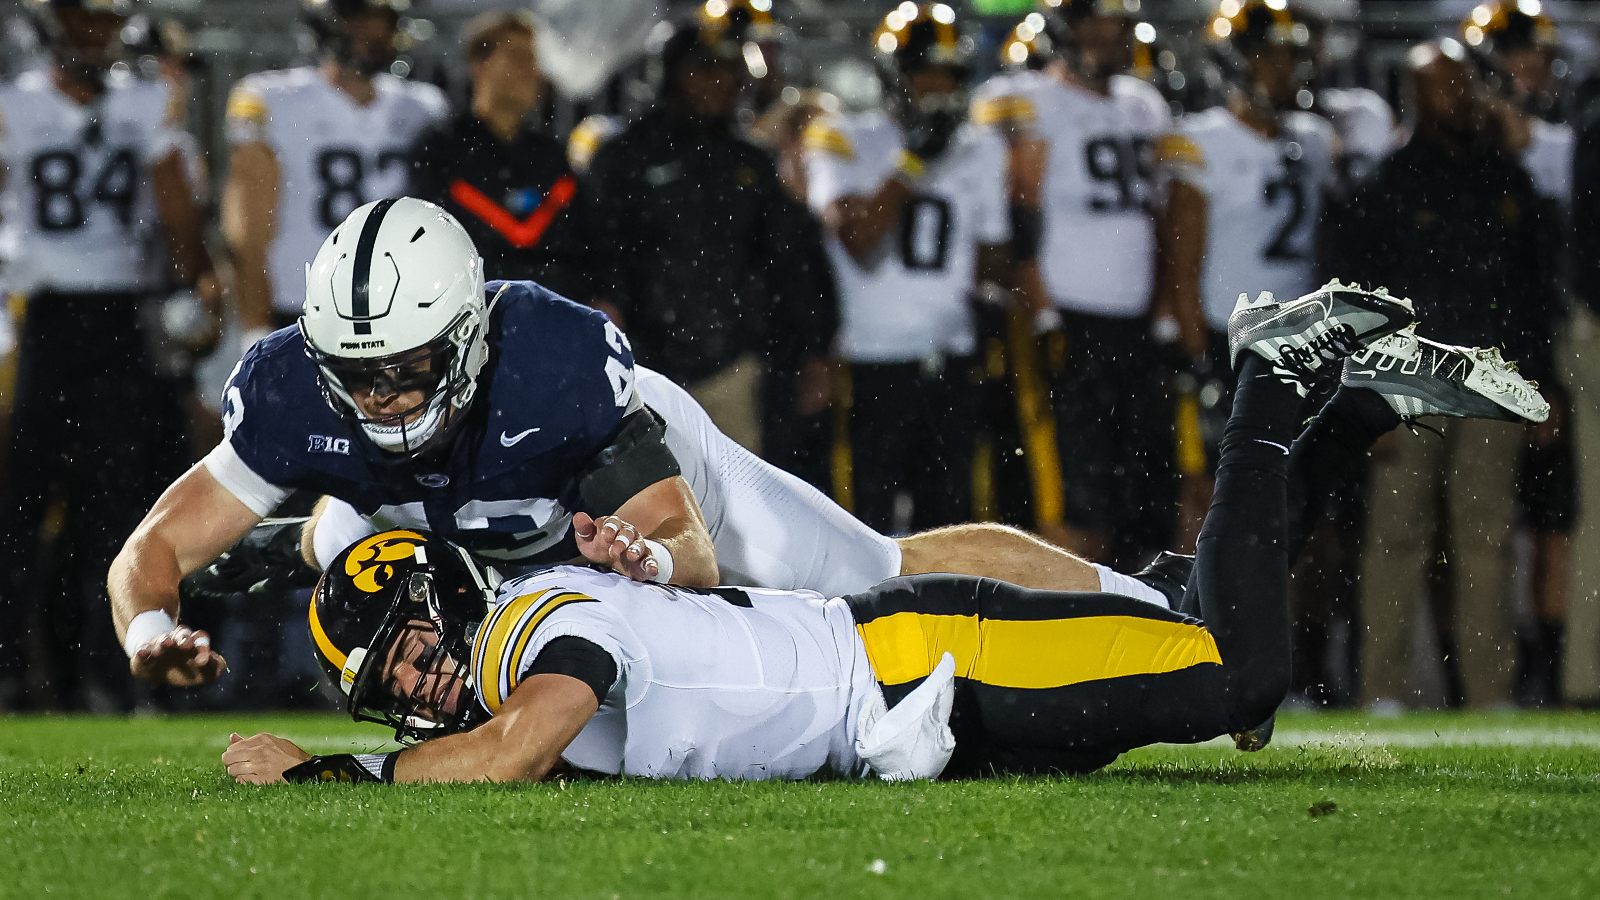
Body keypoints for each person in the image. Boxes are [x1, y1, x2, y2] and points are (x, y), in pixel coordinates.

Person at [220, 285, 1549, 785]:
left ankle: (1273, 389)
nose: (418, 682)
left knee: (1229, 674)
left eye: (409, 650)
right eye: (391, 683)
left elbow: (526, 734)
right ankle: (1342, 412)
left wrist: (321, 774)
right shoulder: (492, 602)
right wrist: (285, 556)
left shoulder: (533, 611)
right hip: (903, 712)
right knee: (1191, 651)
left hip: (904, 659)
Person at [110, 198, 1144, 690]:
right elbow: (146, 555)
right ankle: (287, 545)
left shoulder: (556, 370)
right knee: (352, 543)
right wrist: (149, 630)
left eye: (408, 368)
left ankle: (1151, 607)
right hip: (442, 503)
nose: (380, 397)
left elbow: (682, 550)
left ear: (467, 339)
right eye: (358, 374)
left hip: (601, 491)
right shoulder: (295, 393)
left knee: (871, 575)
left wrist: (643, 558)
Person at [0, 0, 216, 708]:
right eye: (80, 20)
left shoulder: (145, 101)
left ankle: (109, 672)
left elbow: (178, 212)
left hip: (122, 314)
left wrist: (186, 285)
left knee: (116, 505)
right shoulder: (15, 105)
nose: (94, 35)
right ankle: (18, 669)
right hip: (44, 314)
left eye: (102, 20)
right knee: (23, 504)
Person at [1332, 41, 1557, 710]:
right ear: (1415, 97)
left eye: (1462, 84)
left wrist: (1539, 381)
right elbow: (1357, 301)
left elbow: (1530, 291)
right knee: (1395, 536)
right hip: (1408, 380)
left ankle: (1491, 690)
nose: (1457, 97)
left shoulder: (1504, 178)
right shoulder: (1388, 185)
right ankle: (1382, 689)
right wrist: (1365, 395)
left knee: (1484, 536)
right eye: (1442, 86)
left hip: (1493, 376)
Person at [970, 0, 1174, 566]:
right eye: (1095, 24)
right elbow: (1018, 218)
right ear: (1065, 28)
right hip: (1063, 318)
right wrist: (1043, 316)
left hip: (1133, 323)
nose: (1109, 37)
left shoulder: (1144, 105)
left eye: (1118, 24)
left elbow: (1160, 218)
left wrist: (1161, 312)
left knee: (1137, 490)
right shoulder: (1028, 98)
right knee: (1066, 495)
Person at [579, 0, 820, 453]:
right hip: (643, 365)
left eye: (730, 70)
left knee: (737, 501)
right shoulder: (625, 156)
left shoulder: (753, 161)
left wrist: (811, 347)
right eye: (706, 69)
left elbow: (790, 262)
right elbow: (597, 252)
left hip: (733, 363)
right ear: (673, 73)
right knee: (648, 502)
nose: (721, 82)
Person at [805, 3, 1005, 534]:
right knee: (862, 527)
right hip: (873, 360)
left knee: (951, 528)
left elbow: (993, 260)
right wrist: (912, 163)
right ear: (894, 74)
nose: (938, 86)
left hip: (951, 358)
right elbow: (858, 241)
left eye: (949, 73)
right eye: (924, 71)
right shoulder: (843, 137)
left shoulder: (981, 147)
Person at [1156, 1, 1338, 534]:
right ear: (1235, 60)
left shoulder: (1317, 138)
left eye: (1291, 56)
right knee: (1215, 499)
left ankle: (1293, 621)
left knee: (1304, 504)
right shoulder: (1202, 139)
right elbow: (1182, 268)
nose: (1282, 70)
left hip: (1306, 343)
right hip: (1228, 342)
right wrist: (1196, 360)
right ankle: (1202, 616)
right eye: (1267, 56)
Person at [222, 0, 446, 347]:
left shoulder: (424, 108)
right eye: (360, 18)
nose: (374, 32)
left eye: (383, 20)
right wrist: (255, 328)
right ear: (328, 22)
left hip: (398, 309)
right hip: (302, 305)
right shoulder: (270, 99)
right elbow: (248, 234)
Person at [407, 11, 591, 302]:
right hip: (468, 315)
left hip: (549, 313)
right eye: (517, 56)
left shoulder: (550, 154)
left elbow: (581, 244)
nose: (530, 70)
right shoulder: (441, 148)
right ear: (478, 66)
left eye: (534, 60)